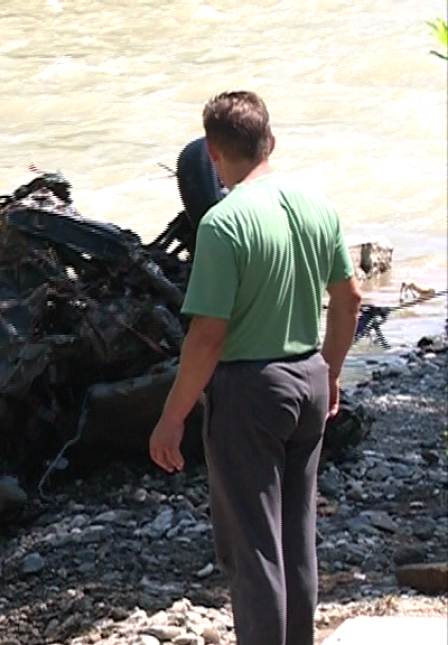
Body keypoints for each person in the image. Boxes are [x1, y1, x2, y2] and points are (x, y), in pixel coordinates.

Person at [149, 91, 362, 645]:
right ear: (270, 142)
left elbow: (207, 335)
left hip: (251, 390)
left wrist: (171, 418)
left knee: (253, 547)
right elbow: (349, 300)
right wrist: (331, 371)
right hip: (309, 379)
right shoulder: (319, 205)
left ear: (214, 154)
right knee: (297, 536)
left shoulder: (224, 224)